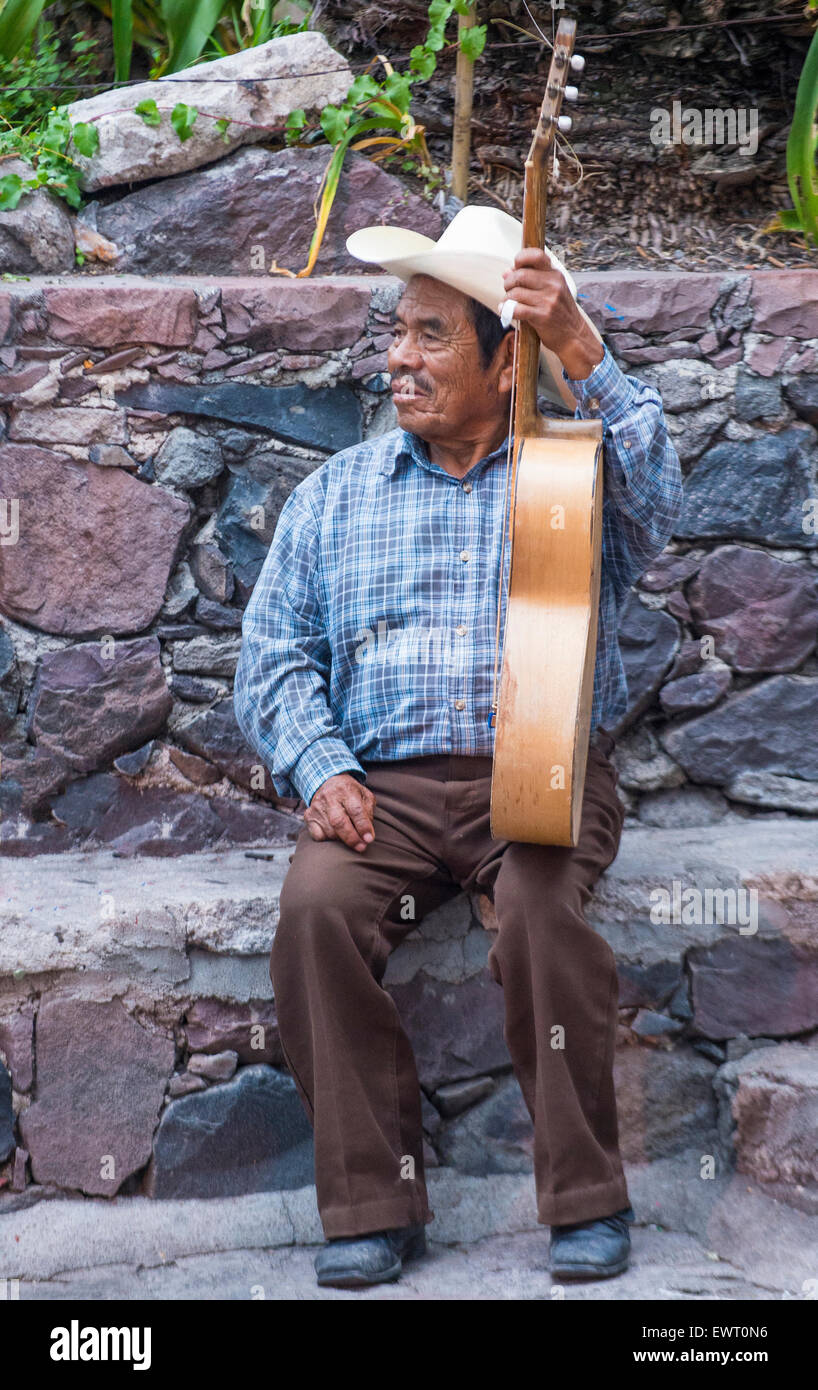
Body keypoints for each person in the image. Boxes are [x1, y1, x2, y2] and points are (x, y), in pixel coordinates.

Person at [233, 206, 684, 1289]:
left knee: (535, 912)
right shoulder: (334, 497)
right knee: (314, 914)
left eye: (432, 335)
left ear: (503, 360)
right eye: (397, 331)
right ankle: (372, 1205)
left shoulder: (568, 482)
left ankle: (584, 1198)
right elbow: (273, 659)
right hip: (378, 793)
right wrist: (320, 765)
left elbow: (665, 491)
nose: (397, 355)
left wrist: (579, 344)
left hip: (539, 778)